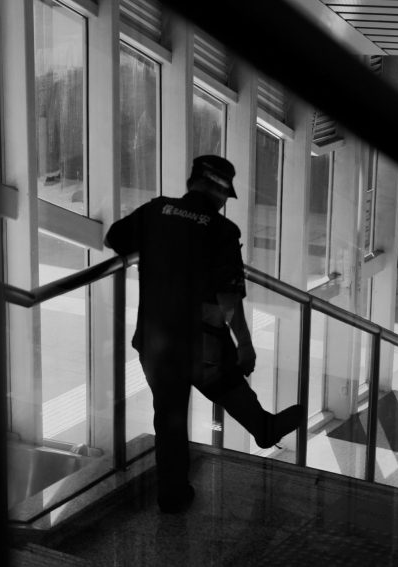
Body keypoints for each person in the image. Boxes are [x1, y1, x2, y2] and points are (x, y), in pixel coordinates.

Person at [105, 155, 303, 513]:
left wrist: (160, 245)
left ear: (190, 182)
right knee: (225, 377)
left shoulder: (156, 211)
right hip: (201, 344)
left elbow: (114, 238)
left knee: (169, 416)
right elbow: (228, 297)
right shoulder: (222, 231)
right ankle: (264, 428)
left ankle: (172, 495)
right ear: (222, 195)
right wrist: (245, 344)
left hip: (155, 341)